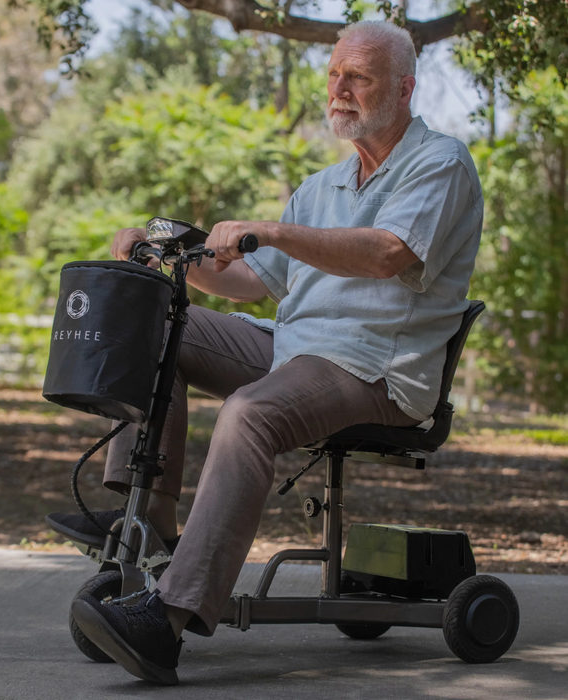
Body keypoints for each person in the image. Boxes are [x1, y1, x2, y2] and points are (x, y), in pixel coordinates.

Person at [46, 20, 483, 685]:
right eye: (335, 73)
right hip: (293, 350)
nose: (340, 89)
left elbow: (390, 253)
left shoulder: (440, 163)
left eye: (358, 77)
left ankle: (166, 623)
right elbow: (253, 282)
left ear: (403, 88)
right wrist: (168, 255)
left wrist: (270, 229)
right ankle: (154, 522)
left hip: (376, 369)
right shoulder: (322, 187)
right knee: (156, 323)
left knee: (249, 413)